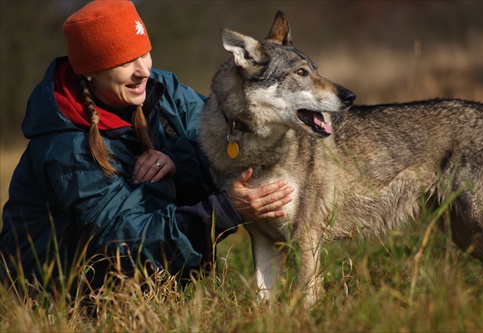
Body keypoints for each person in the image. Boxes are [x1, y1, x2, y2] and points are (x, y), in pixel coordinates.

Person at [0, 0, 293, 293]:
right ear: (91, 71)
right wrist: (223, 211)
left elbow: (225, 144)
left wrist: (178, 162)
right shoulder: (68, 145)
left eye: (144, 54)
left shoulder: (162, 90)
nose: (143, 71)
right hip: (52, 288)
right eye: (125, 62)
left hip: (132, 278)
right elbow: (122, 240)